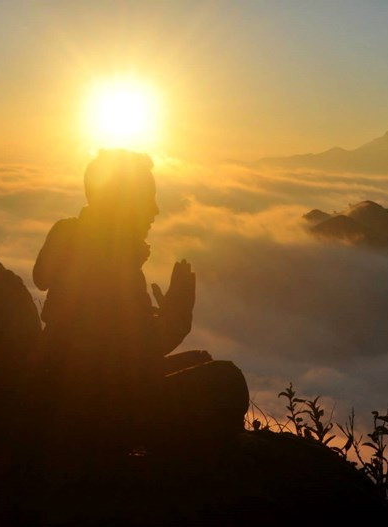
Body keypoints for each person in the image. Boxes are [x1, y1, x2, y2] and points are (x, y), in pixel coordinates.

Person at [32, 149, 249, 455]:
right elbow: (135, 359)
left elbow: (44, 279)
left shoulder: (73, 234)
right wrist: (178, 319)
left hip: (67, 392)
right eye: (147, 197)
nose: (155, 210)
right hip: (100, 411)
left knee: (201, 359)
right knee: (227, 380)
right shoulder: (113, 262)